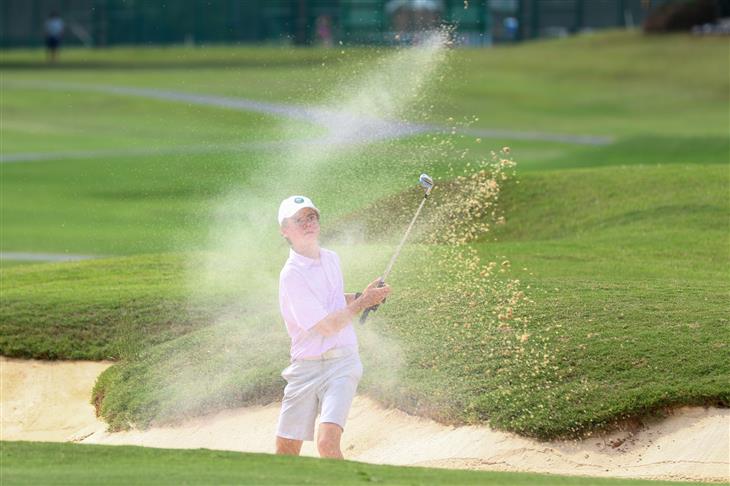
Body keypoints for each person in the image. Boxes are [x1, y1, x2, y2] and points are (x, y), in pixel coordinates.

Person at [275, 195, 390, 459]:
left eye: (311, 217)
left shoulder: (331, 259)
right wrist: (363, 303)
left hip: (343, 363)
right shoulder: (291, 274)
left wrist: (364, 295)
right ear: (285, 230)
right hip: (305, 367)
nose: (307, 224)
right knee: (285, 451)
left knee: (327, 444)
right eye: (298, 220)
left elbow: (334, 302)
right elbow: (325, 326)